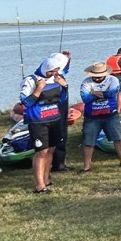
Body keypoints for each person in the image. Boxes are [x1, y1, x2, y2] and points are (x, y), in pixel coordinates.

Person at [20, 53, 69, 193]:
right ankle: (39, 185)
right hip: (38, 121)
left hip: (54, 118)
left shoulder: (56, 79)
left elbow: (62, 99)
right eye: (51, 71)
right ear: (45, 68)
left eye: (56, 70)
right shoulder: (30, 80)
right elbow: (25, 102)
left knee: (51, 150)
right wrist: (39, 88)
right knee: (41, 152)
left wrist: (64, 86)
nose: (54, 73)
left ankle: (47, 178)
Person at [80, 62, 121, 171]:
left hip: (111, 114)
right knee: (88, 141)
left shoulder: (113, 80)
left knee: (118, 137)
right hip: (92, 116)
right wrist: (103, 93)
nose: (97, 79)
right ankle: (86, 166)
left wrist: (93, 92)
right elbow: (85, 98)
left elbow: (112, 93)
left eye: (100, 76)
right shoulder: (86, 82)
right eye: (95, 76)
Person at [51, 50, 73, 172]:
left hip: (62, 109)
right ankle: (58, 164)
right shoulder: (53, 79)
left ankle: (59, 162)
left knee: (62, 135)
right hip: (56, 110)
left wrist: (68, 59)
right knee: (60, 136)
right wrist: (64, 85)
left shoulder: (59, 74)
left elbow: (65, 69)